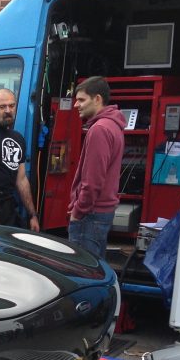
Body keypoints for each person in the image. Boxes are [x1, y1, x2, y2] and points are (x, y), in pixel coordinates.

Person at [67, 76, 125, 258]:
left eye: (82, 100)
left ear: (98, 99)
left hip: (90, 215)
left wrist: (78, 212)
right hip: (101, 213)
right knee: (96, 271)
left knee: (82, 273)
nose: (76, 105)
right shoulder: (113, 126)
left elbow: (92, 182)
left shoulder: (99, 130)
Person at [0, 88, 39, 231]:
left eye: (12, 105)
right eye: (2, 107)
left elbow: (21, 180)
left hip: (8, 207)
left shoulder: (18, 138)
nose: (8, 110)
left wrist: (32, 215)